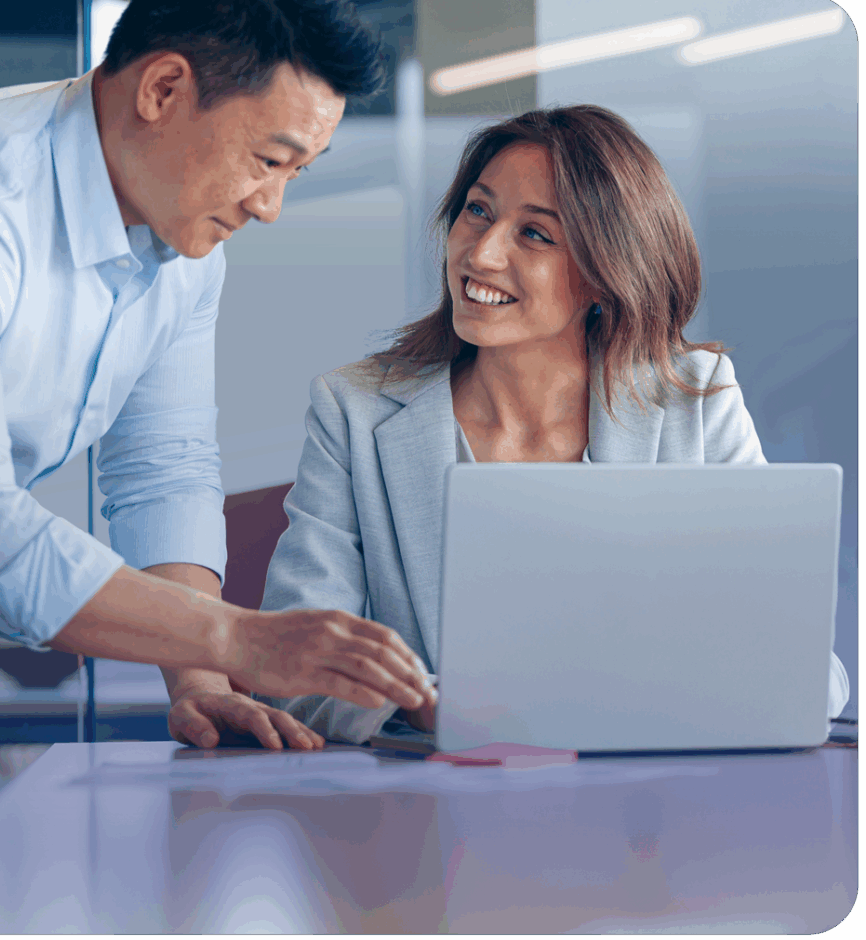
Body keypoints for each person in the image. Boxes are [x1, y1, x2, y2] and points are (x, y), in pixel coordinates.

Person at [0, 0, 432, 882]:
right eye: (268, 158)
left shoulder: (182, 242)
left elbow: (161, 465)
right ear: (163, 89)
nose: (271, 205)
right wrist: (239, 638)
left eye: (298, 172)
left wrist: (199, 680)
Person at [256, 104, 850, 743]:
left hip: (652, 818)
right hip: (439, 812)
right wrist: (423, 708)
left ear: (603, 274)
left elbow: (807, 670)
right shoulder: (353, 409)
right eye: (477, 210)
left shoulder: (696, 402)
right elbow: (291, 665)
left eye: (535, 234)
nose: (481, 253)